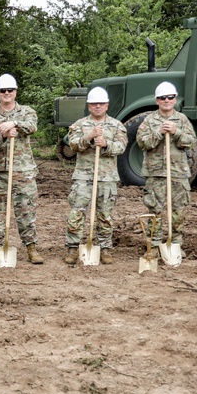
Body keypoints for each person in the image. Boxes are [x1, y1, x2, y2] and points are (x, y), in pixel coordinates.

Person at [0, 73, 42, 263]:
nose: (6, 93)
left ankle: (31, 247)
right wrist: (4, 134)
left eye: (10, 90)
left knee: (26, 209)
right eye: (2, 90)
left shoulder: (27, 111)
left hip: (22, 170)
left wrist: (14, 123)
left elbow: (32, 126)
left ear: (15, 92)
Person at [64, 87, 128, 265]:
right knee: (77, 212)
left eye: (101, 103)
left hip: (106, 177)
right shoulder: (79, 125)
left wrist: (107, 144)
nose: (98, 106)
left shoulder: (116, 125)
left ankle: (105, 248)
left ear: (107, 105)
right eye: (94, 103)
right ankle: (72, 247)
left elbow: (121, 147)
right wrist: (89, 136)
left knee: (105, 214)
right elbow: (73, 145)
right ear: (89, 106)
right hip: (84, 176)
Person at [136, 82, 197, 254]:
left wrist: (176, 132)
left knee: (178, 211)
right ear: (157, 100)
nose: (167, 100)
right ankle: (154, 245)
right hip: (156, 173)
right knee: (155, 210)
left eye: (170, 97)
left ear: (175, 99)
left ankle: (175, 244)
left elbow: (191, 142)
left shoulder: (182, 120)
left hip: (177, 172)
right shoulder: (149, 120)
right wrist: (159, 133)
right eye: (163, 98)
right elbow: (142, 143)